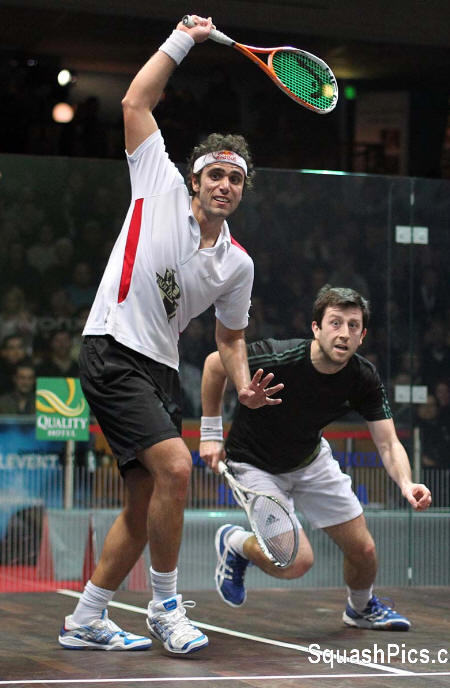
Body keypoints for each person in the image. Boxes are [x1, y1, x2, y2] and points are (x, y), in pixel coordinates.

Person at [58, 15, 279, 655]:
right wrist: (184, 38)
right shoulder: (154, 181)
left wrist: (244, 387)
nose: (225, 185)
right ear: (195, 177)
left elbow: (230, 340)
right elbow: (135, 101)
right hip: (112, 348)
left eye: (236, 179)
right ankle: (165, 606)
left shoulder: (237, 265)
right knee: (176, 468)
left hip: (159, 368)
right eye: (216, 174)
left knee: (144, 501)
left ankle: (86, 618)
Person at [200, 285, 432, 631]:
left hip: (310, 461)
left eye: (353, 326)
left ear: (362, 336)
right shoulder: (276, 357)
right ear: (316, 328)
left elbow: (387, 443)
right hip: (254, 465)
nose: (344, 333)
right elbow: (214, 365)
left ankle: (360, 609)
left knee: (364, 551)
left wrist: (406, 482)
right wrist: (210, 433)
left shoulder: (362, 377)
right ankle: (235, 543)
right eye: (335, 323)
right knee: (296, 562)